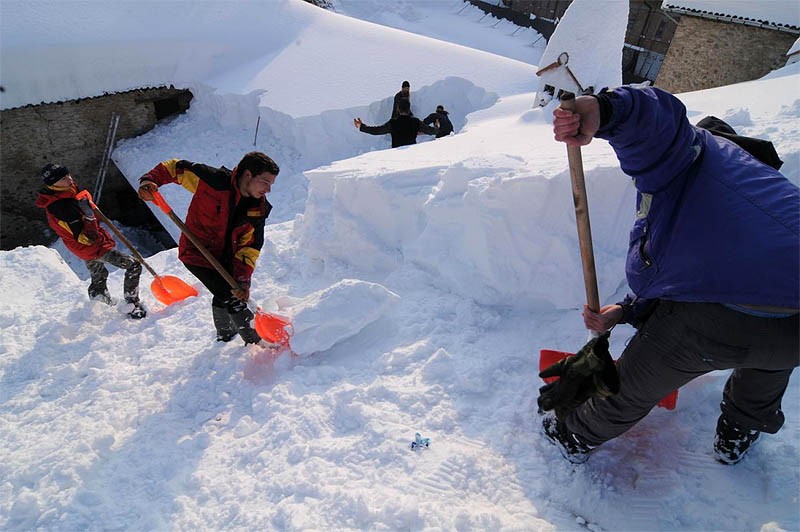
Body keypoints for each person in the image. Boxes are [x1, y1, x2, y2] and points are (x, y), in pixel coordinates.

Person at [540, 87, 799, 465]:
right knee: (770, 357)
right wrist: (626, 310)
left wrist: (606, 109)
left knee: (632, 387)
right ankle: (739, 433)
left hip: (720, 320)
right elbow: (704, 261)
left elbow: (656, 122)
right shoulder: (767, 185)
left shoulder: (693, 155)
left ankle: (573, 434)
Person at [137, 152, 279, 344]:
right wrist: (149, 180)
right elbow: (174, 168)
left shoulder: (258, 210)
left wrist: (243, 280)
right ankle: (257, 343)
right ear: (248, 174)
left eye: (271, 184)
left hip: (226, 257)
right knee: (232, 297)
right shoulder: (212, 181)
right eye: (265, 182)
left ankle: (224, 335)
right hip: (196, 253)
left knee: (225, 292)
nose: (268, 190)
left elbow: (250, 247)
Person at [35, 164, 147, 319]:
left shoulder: (66, 191)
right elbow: (87, 238)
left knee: (99, 275)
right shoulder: (60, 208)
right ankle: (132, 305)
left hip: (81, 248)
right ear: (53, 184)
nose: (69, 179)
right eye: (63, 178)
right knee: (133, 265)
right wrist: (89, 215)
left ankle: (99, 304)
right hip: (89, 246)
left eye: (68, 175)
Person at [354, 99, 438, 148]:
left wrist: (362, 127)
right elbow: (430, 131)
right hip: (411, 153)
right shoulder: (415, 122)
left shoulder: (393, 123)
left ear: (398, 109)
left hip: (396, 155)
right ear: (409, 109)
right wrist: (437, 128)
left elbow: (377, 131)